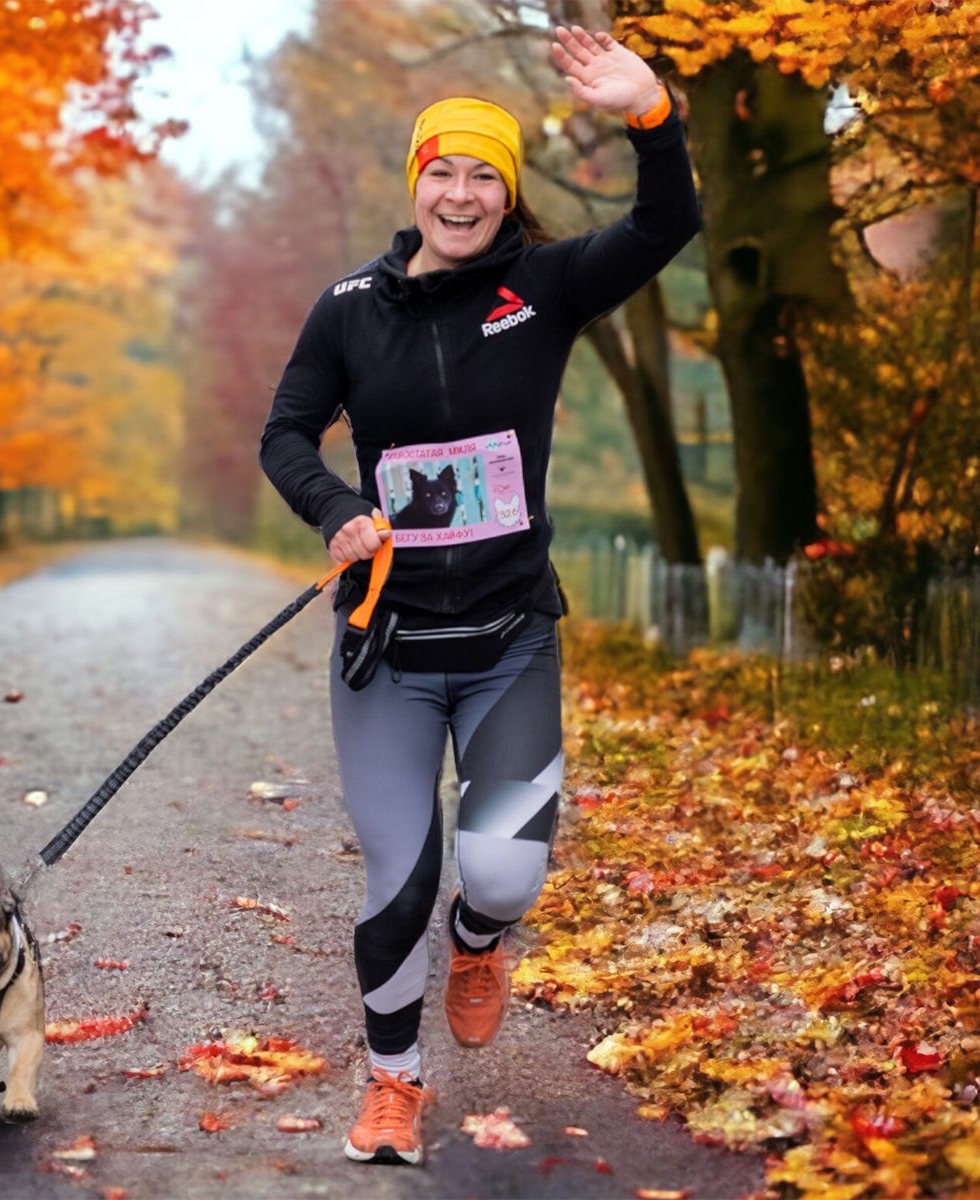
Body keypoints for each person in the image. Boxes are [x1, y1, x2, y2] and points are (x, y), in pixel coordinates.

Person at [258, 25, 702, 1168]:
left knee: (501, 872)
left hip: (510, 641)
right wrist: (334, 512)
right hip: (390, 650)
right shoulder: (351, 304)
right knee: (395, 880)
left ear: (508, 193)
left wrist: (651, 116)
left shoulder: (545, 286)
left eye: (482, 173)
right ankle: (394, 1084)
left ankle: (479, 937)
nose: (460, 193)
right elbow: (286, 432)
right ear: (418, 184)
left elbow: (667, 225)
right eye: (441, 171)